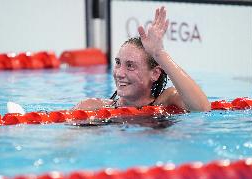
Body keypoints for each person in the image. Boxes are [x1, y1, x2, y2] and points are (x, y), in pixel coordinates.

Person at [73, 6, 210, 112]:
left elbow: (202, 108)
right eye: (118, 63)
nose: (119, 73)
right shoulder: (92, 107)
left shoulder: (167, 101)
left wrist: (159, 53)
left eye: (130, 66)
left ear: (155, 74)